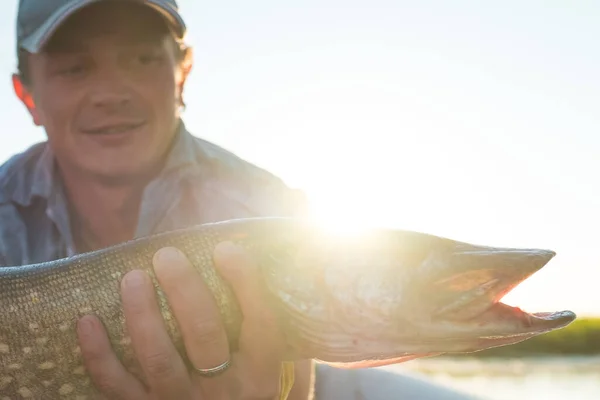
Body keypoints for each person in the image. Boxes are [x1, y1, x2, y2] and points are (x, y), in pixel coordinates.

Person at [2, 0, 313, 398]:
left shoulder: (268, 210)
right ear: (26, 94)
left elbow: (299, 381)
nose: (111, 93)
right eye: (74, 68)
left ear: (183, 72)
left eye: (142, 59)